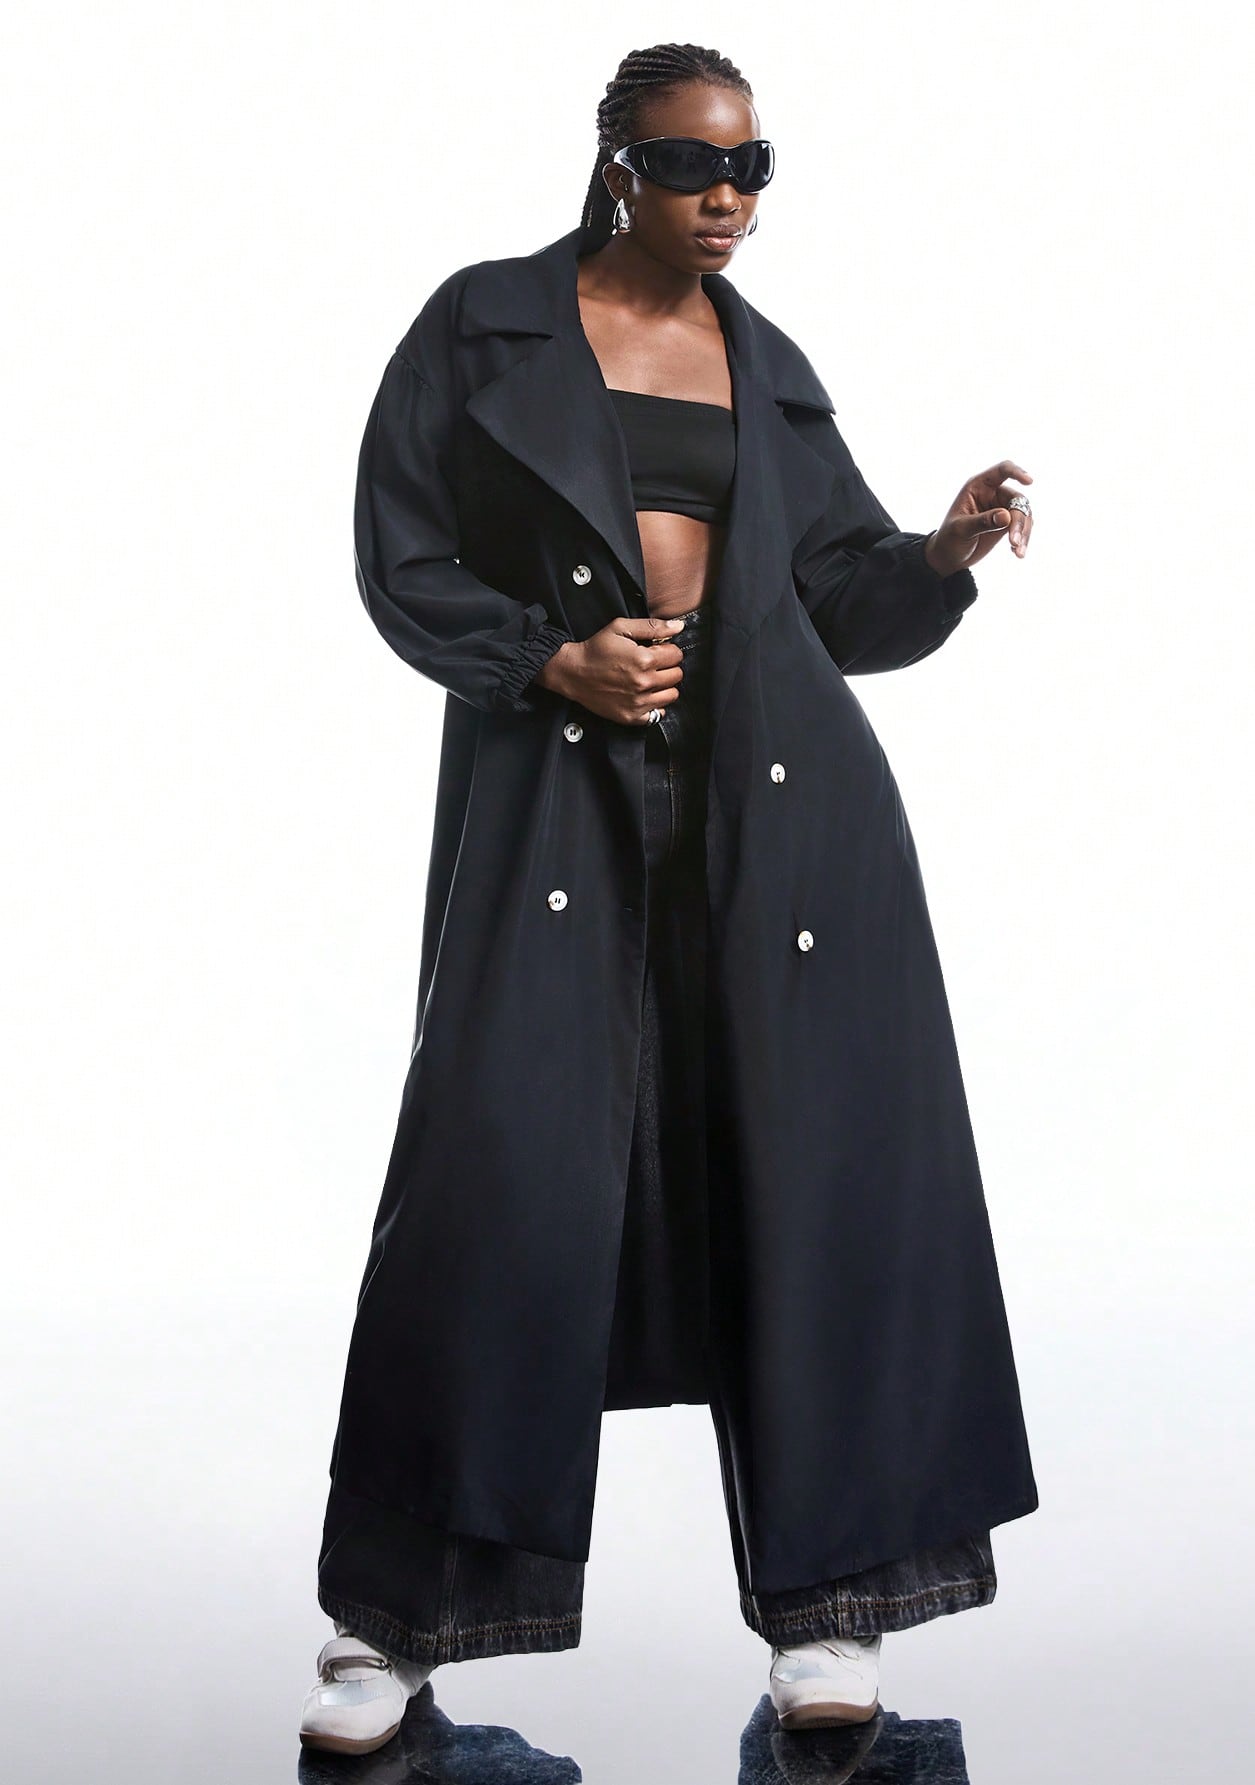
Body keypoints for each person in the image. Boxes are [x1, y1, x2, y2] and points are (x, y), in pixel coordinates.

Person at [301, 41, 1037, 1757]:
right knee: (492, 1188)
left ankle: (831, 1613)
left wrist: (935, 556)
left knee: (811, 1185)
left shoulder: (764, 362)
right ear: (616, 164)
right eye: (697, 164)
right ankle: (388, 1626)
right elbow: (402, 559)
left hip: (788, 825)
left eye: (754, 166)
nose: (730, 199)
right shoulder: (481, 327)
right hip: (560, 801)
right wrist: (547, 658)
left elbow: (837, 595)